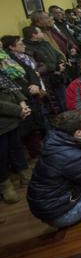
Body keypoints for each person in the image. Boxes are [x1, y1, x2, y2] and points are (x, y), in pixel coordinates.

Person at [0, 70, 31, 203]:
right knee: (1, 155)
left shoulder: (2, 73)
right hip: (3, 121)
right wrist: (18, 110)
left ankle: (25, 175)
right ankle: (5, 186)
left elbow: (14, 89)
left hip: (13, 120)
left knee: (17, 147)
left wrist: (23, 105)